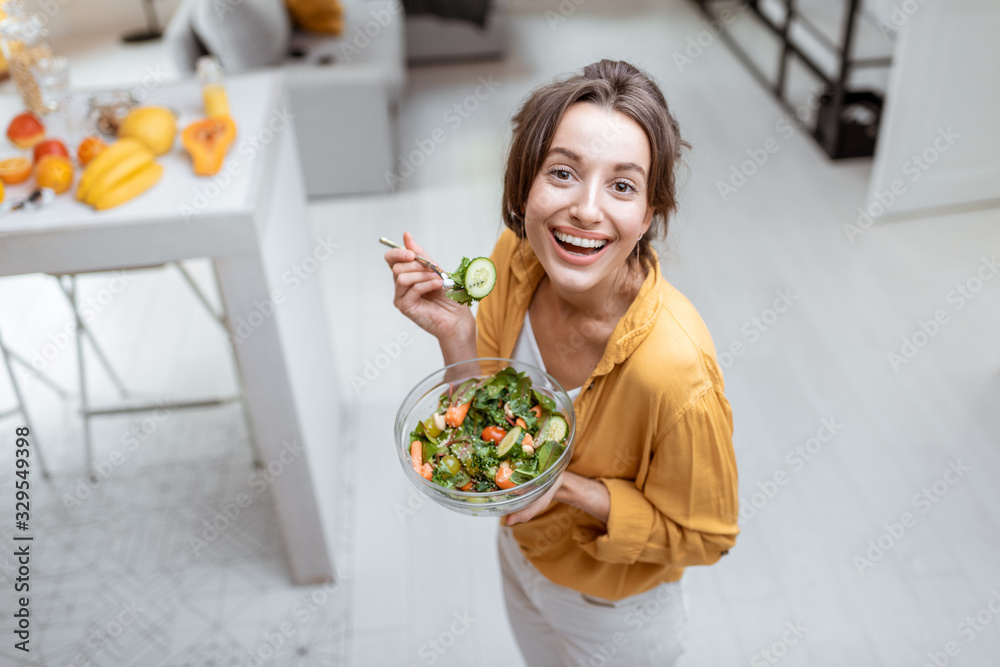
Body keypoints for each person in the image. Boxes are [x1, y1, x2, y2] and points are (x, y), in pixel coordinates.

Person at [385, 59, 739, 667]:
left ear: (649, 214)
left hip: (612, 612)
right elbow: (483, 427)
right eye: (563, 173)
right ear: (525, 186)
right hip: (520, 556)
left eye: (622, 186)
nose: (585, 208)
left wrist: (569, 489)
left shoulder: (676, 373)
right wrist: (457, 334)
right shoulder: (517, 260)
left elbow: (707, 538)